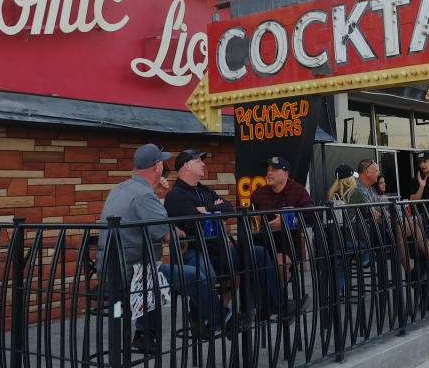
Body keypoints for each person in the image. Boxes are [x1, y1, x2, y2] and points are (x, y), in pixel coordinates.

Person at [96, 143, 224, 354]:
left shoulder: (121, 188)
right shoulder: (145, 196)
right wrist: (182, 232)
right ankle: (222, 319)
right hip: (131, 274)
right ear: (156, 167)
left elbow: (145, 216)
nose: (165, 166)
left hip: (109, 270)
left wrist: (156, 191)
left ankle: (145, 335)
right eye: (162, 162)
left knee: (155, 273)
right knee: (196, 276)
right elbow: (168, 234)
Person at [163, 149, 279, 324]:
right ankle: (212, 319)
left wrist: (207, 211)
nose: (203, 164)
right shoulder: (175, 195)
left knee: (259, 253)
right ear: (186, 166)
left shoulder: (204, 190)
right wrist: (213, 211)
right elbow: (196, 223)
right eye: (198, 161)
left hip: (218, 249)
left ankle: (276, 306)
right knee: (204, 273)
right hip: (193, 251)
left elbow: (228, 208)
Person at [250, 156, 313, 311]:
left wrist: (288, 220)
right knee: (250, 260)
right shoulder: (258, 194)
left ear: (285, 174)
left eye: (274, 170)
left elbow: (311, 214)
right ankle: (277, 305)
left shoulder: (298, 190)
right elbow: (252, 220)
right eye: (268, 170)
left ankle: (279, 303)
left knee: (280, 262)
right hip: (264, 242)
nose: (269, 173)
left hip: (289, 242)